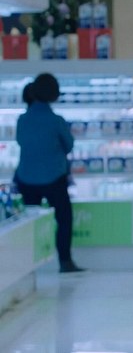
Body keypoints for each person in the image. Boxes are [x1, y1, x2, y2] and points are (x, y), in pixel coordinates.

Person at [15, 73, 83, 273]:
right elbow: (69, 145)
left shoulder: (22, 120)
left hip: (26, 177)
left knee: (28, 223)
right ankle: (65, 261)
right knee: (63, 219)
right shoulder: (56, 121)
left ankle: (26, 266)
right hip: (54, 177)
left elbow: (20, 141)